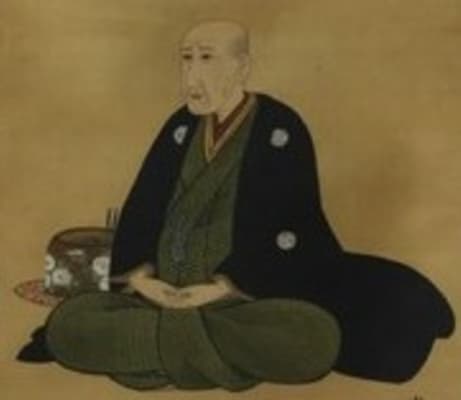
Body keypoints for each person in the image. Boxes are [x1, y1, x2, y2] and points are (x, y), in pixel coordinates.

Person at [18, 20, 454, 389]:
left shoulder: (279, 129)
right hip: (159, 297)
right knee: (73, 322)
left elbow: (292, 231)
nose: (192, 74)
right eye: (186, 59)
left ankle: (153, 351)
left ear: (241, 66)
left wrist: (220, 287)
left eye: (206, 58)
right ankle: (199, 352)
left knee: (312, 338)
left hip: (241, 301)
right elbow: (141, 214)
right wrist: (144, 281)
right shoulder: (180, 128)